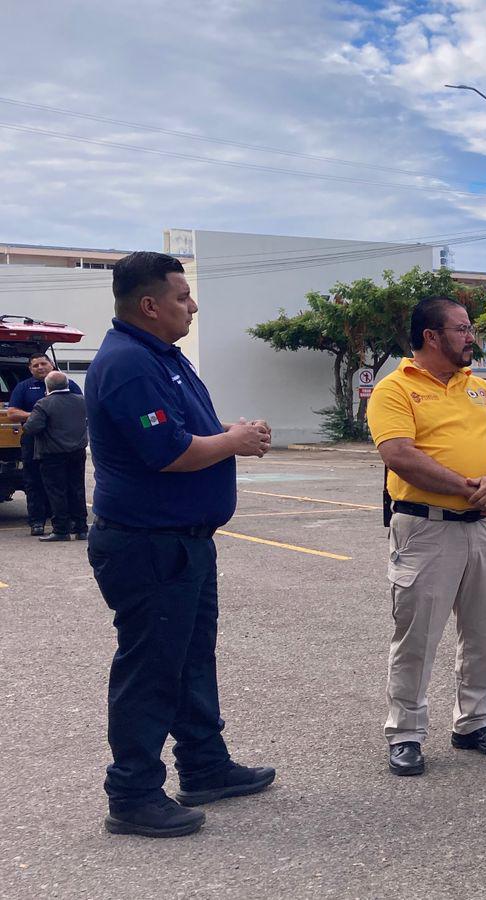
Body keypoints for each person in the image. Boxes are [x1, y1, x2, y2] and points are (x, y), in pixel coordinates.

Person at [86, 251, 275, 838]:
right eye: (181, 297)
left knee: (191, 657)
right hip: (148, 544)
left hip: (183, 542)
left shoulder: (160, 358)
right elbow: (168, 452)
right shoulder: (128, 365)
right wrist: (234, 441)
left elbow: (189, 432)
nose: (192, 306)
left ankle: (205, 765)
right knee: (151, 668)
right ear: (149, 305)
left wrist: (230, 433)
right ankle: (134, 792)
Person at [368, 297, 486, 778]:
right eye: (462, 329)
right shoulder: (395, 389)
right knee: (417, 636)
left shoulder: (480, 389)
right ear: (431, 336)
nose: (471, 336)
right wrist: (467, 487)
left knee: (483, 630)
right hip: (426, 528)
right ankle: (406, 733)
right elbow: (398, 454)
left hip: (484, 527)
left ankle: (474, 723)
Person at [7, 352, 82, 536]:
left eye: (43, 364)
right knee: (33, 481)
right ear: (30, 369)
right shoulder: (23, 387)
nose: (40, 367)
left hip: (63, 441)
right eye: (35, 366)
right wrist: (39, 415)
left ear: (52, 365)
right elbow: (12, 413)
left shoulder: (67, 383)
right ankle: (37, 521)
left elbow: (80, 408)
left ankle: (74, 522)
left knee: (70, 483)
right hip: (33, 438)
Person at [23, 371, 89, 541]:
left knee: (57, 492)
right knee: (77, 489)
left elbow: (32, 428)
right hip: (77, 452)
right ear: (67, 384)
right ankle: (81, 528)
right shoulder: (81, 401)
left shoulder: (44, 403)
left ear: (48, 387)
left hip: (52, 454)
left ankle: (61, 530)